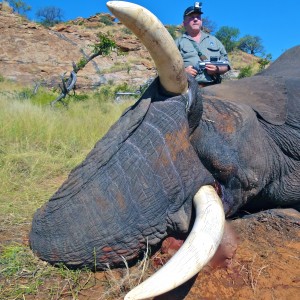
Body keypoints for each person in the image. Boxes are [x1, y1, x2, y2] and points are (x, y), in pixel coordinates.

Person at [175, 2, 231, 86]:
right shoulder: (177, 43)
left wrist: (217, 69)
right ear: (184, 23)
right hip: (188, 88)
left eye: (198, 17)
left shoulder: (215, 41)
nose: (195, 19)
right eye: (191, 17)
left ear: (201, 21)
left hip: (214, 87)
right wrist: (183, 72)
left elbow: (226, 64)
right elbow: (167, 66)